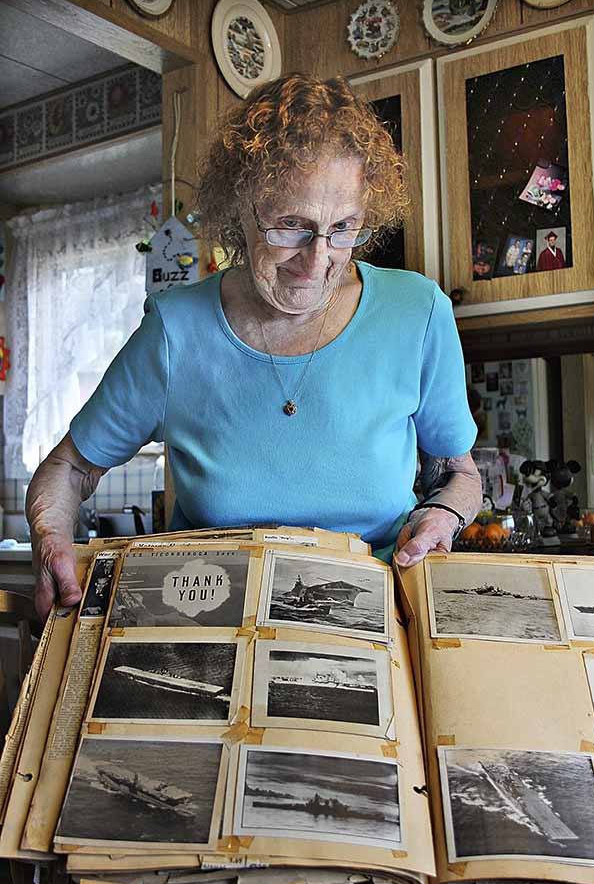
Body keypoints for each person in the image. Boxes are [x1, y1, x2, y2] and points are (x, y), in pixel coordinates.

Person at [26, 73, 481, 620]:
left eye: (343, 227)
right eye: (291, 225)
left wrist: (444, 518)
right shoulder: (177, 331)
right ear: (239, 207)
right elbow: (71, 468)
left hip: (372, 620)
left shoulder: (418, 313)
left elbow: (460, 474)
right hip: (210, 622)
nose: (318, 260)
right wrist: (52, 543)